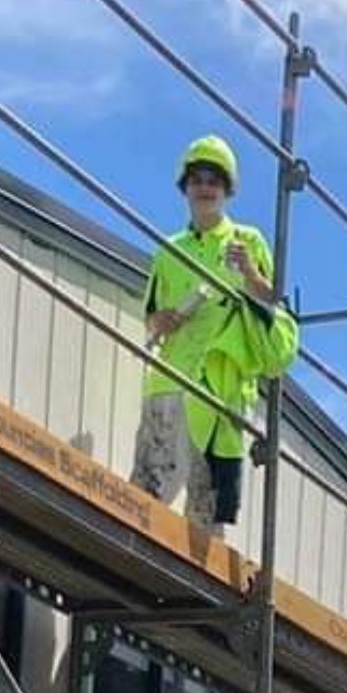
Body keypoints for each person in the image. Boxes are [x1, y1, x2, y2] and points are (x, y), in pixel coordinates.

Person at [130, 135, 281, 533]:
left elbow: (273, 305)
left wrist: (249, 272)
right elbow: (151, 319)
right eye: (197, 179)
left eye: (214, 179)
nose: (205, 187)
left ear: (227, 189)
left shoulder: (247, 241)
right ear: (186, 187)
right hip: (171, 381)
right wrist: (160, 322)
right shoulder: (169, 249)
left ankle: (198, 591)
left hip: (223, 388)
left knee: (206, 512)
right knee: (147, 495)